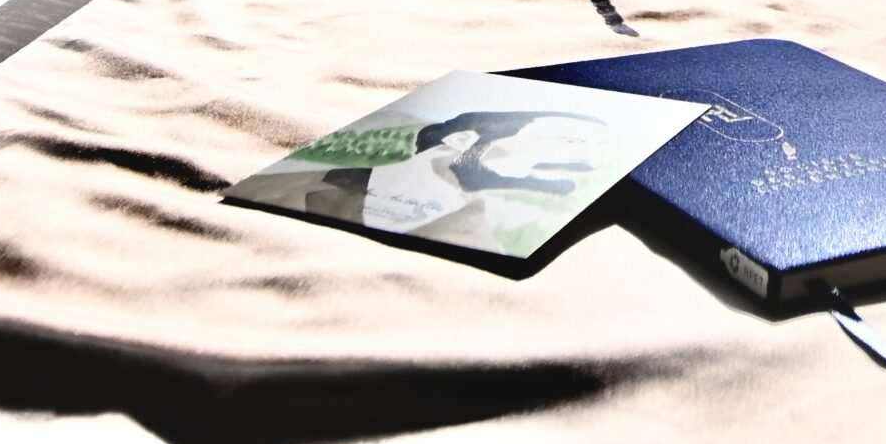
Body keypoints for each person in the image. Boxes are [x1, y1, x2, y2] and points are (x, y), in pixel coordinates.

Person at [234, 109, 612, 256]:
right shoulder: (271, 183)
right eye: (569, 141)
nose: (582, 159)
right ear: (461, 140)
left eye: (591, 155)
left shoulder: (476, 247)